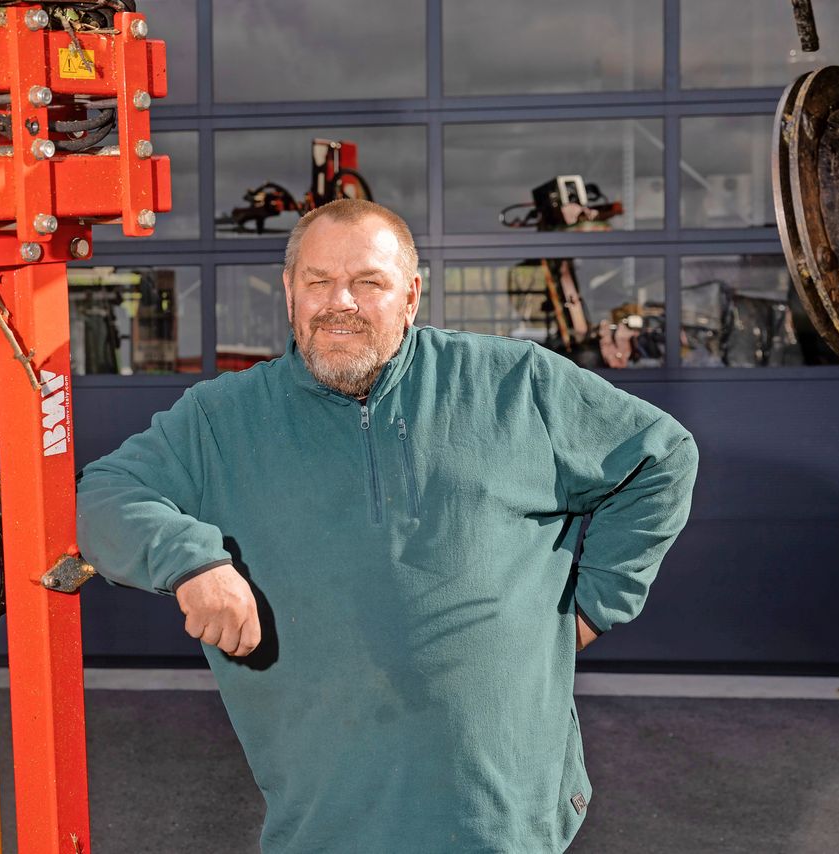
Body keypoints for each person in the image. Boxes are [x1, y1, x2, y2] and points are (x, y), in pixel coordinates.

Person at [77, 199, 698, 852]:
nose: (338, 301)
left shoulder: (515, 384)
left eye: (367, 282)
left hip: (503, 820)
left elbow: (660, 457)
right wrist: (191, 562)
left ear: (410, 295)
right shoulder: (221, 418)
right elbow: (103, 495)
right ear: (289, 292)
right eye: (317, 281)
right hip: (326, 824)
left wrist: (595, 604)